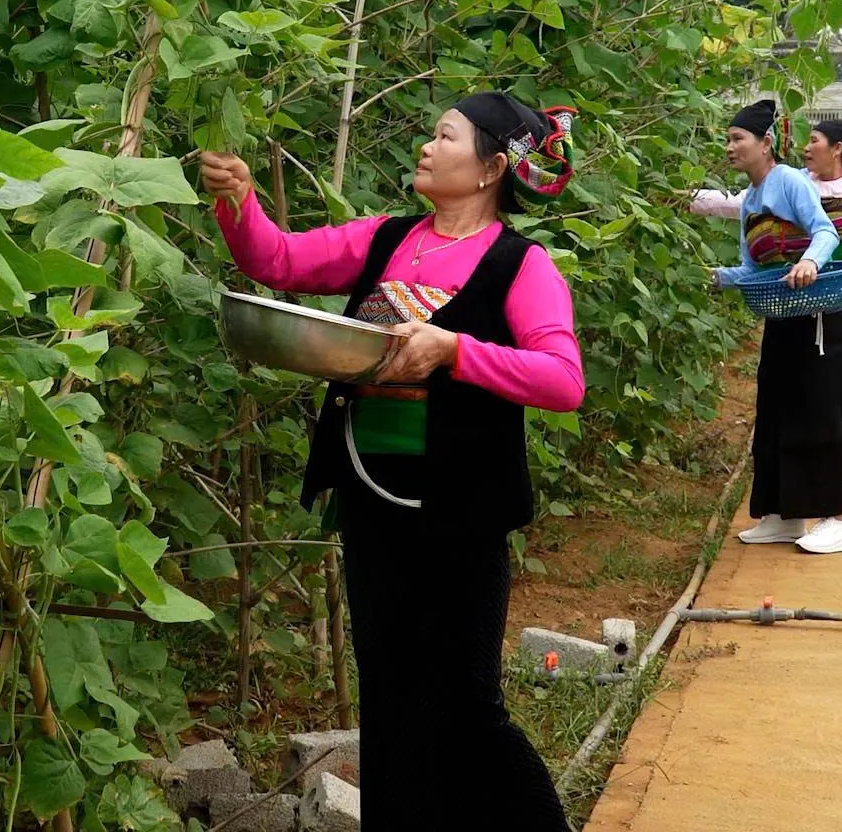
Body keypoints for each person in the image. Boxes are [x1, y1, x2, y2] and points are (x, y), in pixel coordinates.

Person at [200, 91, 585, 830]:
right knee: (388, 695)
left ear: (490, 168)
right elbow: (275, 260)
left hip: (461, 513)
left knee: (469, 703)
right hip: (374, 502)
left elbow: (563, 380)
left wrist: (454, 350)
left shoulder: (520, 265)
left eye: (445, 137)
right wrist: (240, 200)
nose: (427, 147)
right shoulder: (388, 239)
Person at [694, 120, 842, 493]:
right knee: (832, 377)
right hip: (819, 288)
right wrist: (688, 197)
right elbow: (738, 204)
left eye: (814, 141)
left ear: (836, 148)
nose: (805, 147)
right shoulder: (797, 182)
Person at [689, 99, 842, 555]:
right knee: (777, 409)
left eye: (737, 138)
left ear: (766, 143)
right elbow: (753, 269)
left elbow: (826, 233)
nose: (729, 147)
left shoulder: (789, 181)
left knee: (817, 409)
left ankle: (839, 519)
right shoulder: (751, 201)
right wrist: (716, 278)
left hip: (816, 310)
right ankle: (785, 514)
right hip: (782, 315)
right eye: (727, 139)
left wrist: (807, 263)